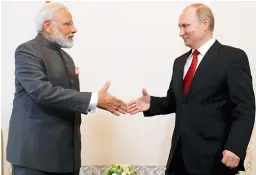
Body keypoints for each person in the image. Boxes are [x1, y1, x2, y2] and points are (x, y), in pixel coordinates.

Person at [128, 3, 255, 175]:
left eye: (185, 26)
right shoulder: (179, 62)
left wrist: (235, 148)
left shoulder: (232, 57)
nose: (180, 33)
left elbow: (245, 108)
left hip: (215, 161)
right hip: (178, 160)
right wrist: (152, 103)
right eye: (179, 27)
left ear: (205, 23)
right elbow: (177, 101)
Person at [7, 3, 127, 175]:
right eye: (67, 23)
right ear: (47, 26)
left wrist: (95, 102)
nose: (74, 29)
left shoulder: (67, 59)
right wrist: (93, 99)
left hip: (67, 160)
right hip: (34, 159)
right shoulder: (27, 51)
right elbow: (41, 91)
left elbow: (68, 100)